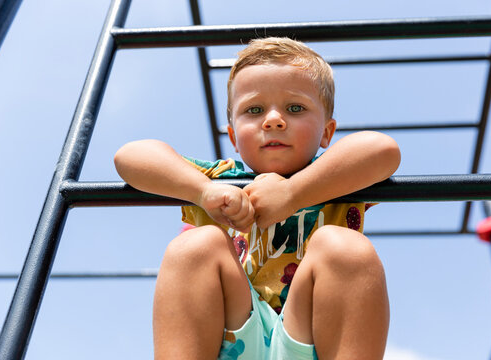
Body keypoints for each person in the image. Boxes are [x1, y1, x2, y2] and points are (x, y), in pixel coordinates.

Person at [114, 37, 401, 360]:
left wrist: (293, 193)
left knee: (345, 246)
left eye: (295, 108)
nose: (273, 120)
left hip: (312, 333)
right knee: (195, 245)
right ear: (233, 137)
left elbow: (383, 150)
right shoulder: (222, 180)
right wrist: (203, 192)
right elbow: (130, 156)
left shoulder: (333, 177)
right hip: (233, 333)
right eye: (254, 110)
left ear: (326, 133)